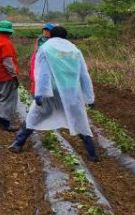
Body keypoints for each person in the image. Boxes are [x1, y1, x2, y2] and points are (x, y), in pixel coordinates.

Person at [10, 26, 97, 160]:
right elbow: (83, 74)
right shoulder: (74, 50)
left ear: (50, 35)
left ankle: (18, 143)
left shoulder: (46, 48)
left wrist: (40, 93)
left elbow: (43, 73)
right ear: (65, 36)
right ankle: (92, 154)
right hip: (71, 91)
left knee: (35, 115)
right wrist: (90, 98)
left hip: (51, 90)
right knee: (79, 120)